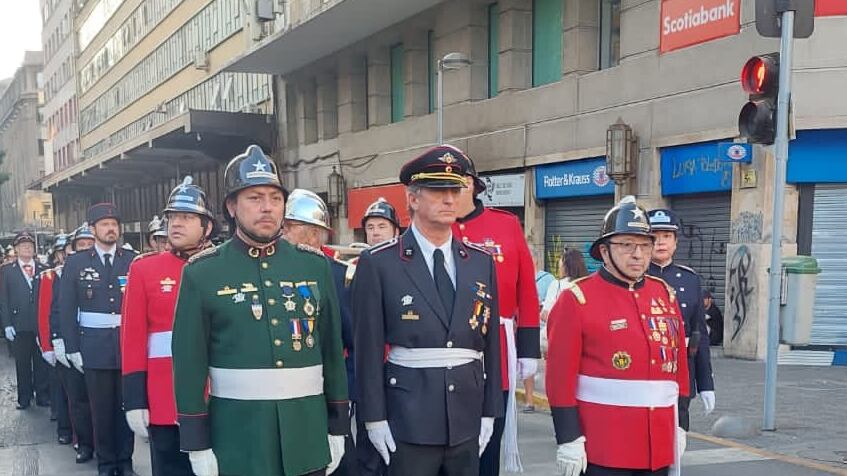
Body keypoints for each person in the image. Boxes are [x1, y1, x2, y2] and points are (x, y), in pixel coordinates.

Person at [171, 145, 349, 476]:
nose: (267, 207)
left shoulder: (314, 266)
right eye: (254, 197)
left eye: (275, 197)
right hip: (239, 442)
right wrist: (197, 443)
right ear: (231, 206)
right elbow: (189, 366)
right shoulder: (202, 273)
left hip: (306, 436)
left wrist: (338, 427)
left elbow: (332, 354)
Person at [352, 147, 503, 476]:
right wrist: (373, 418)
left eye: (455, 190)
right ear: (413, 199)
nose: (449, 199)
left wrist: (491, 410)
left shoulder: (480, 263)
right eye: (438, 190)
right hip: (408, 416)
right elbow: (367, 349)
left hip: (465, 413)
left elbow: (490, 343)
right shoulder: (380, 264)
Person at [546, 196, 690, 476]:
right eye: (626, 245)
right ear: (604, 250)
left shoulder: (664, 294)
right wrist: (568, 438)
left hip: (658, 443)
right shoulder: (577, 298)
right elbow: (559, 378)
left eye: (645, 245)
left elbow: (679, 365)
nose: (638, 254)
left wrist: (681, 422)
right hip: (604, 446)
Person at [448, 145, 540, 474]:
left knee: (489, 443)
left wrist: (528, 350)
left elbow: (527, 290)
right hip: (444, 353)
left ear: (472, 185)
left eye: (457, 184)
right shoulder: (432, 229)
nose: (449, 194)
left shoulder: (505, 225)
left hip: (496, 350)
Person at [121, 176, 216, 476]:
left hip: (219, 397)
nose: (175, 224)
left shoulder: (223, 267)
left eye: (186, 217)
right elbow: (133, 339)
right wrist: (135, 400)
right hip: (165, 401)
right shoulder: (144, 269)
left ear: (207, 226)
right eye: (172, 217)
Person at [60, 204, 137, 476]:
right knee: (101, 410)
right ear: (92, 230)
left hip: (127, 346)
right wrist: (71, 348)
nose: (111, 228)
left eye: (114, 223)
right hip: (93, 347)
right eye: (104, 224)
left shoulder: (132, 260)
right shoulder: (76, 263)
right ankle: (106, 463)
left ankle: (125, 461)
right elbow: (66, 308)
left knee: (126, 407)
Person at [647, 209, 716, 427]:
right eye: (654, 237)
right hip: (645, 371)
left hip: (681, 371)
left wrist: (705, 383)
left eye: (666, 236)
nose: (660, 243)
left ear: (676, 242)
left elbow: (700, 335)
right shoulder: (634, 277)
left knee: (677, 436)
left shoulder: (689, 279)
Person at [52, 224, 96, 464]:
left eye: (90, 245)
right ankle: (85, 444)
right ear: (73, 249)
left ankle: (104, 444)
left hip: (98, 344)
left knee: (103, 401)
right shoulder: (66, 271)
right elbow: (58, 308)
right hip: (73, 344)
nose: (86, 250)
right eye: (81, 246)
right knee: (79, 401)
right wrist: (59, 340)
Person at [1, 231, 50, 410]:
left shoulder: (44, 268)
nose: (27, 248)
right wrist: (6, 324)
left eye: (30, 246)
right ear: (16, 249)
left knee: (41, 362)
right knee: (22, 363)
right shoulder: (7, 271)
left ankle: (43, 395)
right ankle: (24, 397)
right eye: (23, 246)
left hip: (40, 324)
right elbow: (3, 300)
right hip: (18, 324)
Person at [37, 234, 73, 443]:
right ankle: (64, 429)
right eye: (62, 251)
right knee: (60, 388)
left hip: (78, 340)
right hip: (57, 340)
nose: (65, 255)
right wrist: (46, 345)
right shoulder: (50, 276)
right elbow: (44, 313)